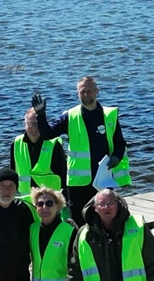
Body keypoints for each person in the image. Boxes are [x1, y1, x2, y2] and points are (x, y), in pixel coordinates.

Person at [32, 77, 129, 224]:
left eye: (90, 91)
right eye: (82, 92)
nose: (86, 94)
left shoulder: (109, 115)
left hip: (103, 179)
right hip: (78, 183)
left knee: (106, 219)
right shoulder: (70, 116)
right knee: (79, 221)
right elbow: (47, 135)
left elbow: (120, 144)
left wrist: (116, 157)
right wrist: (40, 116)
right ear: (77, 93)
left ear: (97, 92)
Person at [11, 107, 67, 195]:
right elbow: (12, 172)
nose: (35, 128)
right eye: (31, 124)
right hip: (25, 197)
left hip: (49, 198)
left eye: (37, 124)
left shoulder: (53, 144)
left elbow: (63, 174)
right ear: (24, 124)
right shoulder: (17, 143)